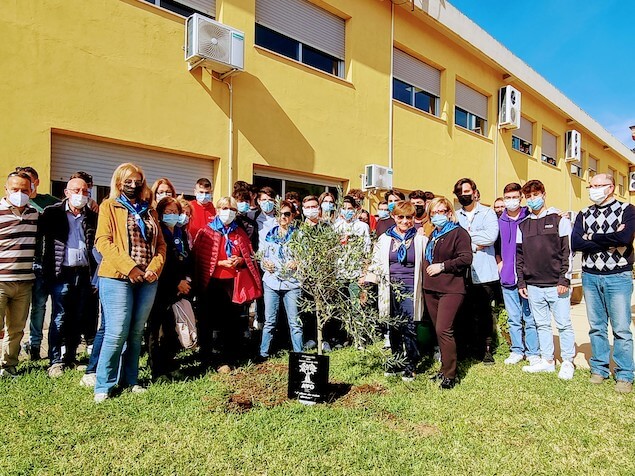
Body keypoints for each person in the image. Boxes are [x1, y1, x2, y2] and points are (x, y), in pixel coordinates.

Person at [93, 163, 166, 402]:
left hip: (148, 279)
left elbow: (160, 245)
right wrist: (130, 268)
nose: (133, 185)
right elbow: (102, 242)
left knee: (135, 333)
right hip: (117, 277)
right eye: (128, 181)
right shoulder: (109, 206)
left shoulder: (150, 210)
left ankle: (131, 379)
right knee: (116, 332)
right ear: (118, 183)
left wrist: (154, 269)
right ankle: (104, 383)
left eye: (137, 181)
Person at [571, 173, 634, 393]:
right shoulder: (584, 213)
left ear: (611, 187)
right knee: (596, 327)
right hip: (591, 275)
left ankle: (625, 373)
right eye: (591, 186)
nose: (594, 189)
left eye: (599, 185)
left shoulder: (627, 210)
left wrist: (592, 237)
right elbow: (576, 242)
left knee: (621, 328)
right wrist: (607, 239)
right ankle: (599, 368)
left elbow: (624, 239)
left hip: (618, 276)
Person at [516, 180, 575, 380]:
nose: (532, 199)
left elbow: (567, 252)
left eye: (536, 194)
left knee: (564, 324)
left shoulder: (559, 220)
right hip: (533, 285)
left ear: (544, 194)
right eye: (529, 196)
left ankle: (567, 361)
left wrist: (564, 279)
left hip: (556, 284)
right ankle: (547, 361)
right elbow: (519, 256)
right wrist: (522, 282)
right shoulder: (522, 225)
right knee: (542, 325)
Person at [193, 197, 262, 366]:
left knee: (230, 322)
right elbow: (198, 258)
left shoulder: (239, 232)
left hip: (232, 283)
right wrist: (219, 263)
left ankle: (228, 358)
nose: (228, 212)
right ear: (217, 210)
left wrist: (240, 260)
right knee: (207, 321)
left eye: (231, 209)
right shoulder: (206, 231)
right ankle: (207, 356)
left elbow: (249, 256)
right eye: (224, 208)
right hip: (211, 283)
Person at [39, 177, 98, 378]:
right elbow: (39, 240)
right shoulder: (52, 213)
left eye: (84, 191)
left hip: (84, 273)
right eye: (76, 190)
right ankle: (55, 361)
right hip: (61, 272)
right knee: (60, 317)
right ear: (66, 192)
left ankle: (71, 357)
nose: (80, 195)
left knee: (77, 316)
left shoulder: (91, 216)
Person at [368, 201, 426, 381]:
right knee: (392, 324)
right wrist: (368, 280)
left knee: (409, 325)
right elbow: (376, 262)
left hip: (411, 287)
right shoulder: (384, 239)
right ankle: (396, 360)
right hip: (389, 287)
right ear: (394, 217)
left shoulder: (421, 239)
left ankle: (411, 363)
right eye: (401, 217)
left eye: (409, 217)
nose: (405, 221)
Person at [423, 197, 472, 389]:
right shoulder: (434, 234)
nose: (437, 216)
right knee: (439, 331)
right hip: (431, 289)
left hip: (451, 288)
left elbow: (466, 258)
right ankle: (443, 369)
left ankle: (450, 374)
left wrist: (443, 266)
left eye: (441, 212)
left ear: (449, 213)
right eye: (433, 213)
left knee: (444, 329)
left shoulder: (458, 233)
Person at [14, 166, 59, 361]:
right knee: (26, 308)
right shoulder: (16, 204)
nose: (25, 188)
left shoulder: (49, 202)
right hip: (23, 264)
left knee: (47, 306)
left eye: (29, 182)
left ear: (36, 182)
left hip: (47, 262)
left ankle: (42, 346)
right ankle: (25, 346)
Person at [454, 178, 500, 364]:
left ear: (474, 192)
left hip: (484, 273)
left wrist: (466, 241)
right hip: (463, 272)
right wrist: (474, 243)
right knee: (464, 312)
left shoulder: (488, 213)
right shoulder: (456, 216)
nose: (464, 195)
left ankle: (486, 350)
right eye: (460, 193)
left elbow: (491, 236)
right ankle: (467, 347)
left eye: (467, 191)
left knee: (483, 313)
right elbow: (454, 241)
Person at [147, 197, 192, 380]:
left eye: (175, 212)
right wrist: (176, 282)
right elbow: (161, 262)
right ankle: (157, 370)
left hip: (179, 288)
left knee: (171, 329)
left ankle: (170, 363)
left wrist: (187, 279)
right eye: (168, 212)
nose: (172, 215)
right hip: (161, 288)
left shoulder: (180, 232)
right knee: (155, 331)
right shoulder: (159, 232)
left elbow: (187, 257)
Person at [0, 172, 39, 378]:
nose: (20, 193)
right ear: (6, 189)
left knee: (16, 329)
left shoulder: (34, 214)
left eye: (25, 190)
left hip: (24, 282)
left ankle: (8, 366)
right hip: (1, 281)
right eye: (15, 189)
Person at [496, 183, 539, 366]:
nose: (511, 201)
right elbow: (495, 245)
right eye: (508, 198)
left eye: (515, 197)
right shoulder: (499, 221)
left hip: (528, 277)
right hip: (507, 277)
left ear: (521, 198)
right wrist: (499, 263)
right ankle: (516, 350)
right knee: (514, 317)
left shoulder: (530, 218)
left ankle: (533, 352)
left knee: (530, 317)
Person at [258, 200, 303, 359]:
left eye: (287, 214)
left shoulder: (299, 235)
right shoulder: (267, 234)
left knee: (295, 323)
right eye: (280, 214)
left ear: (293, 216)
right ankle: (263, 354)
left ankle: (299, 355)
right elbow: (261, 256)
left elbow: (306, 258)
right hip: (271, 282)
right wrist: (265, 264)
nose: (283, 217)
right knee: (269, 321)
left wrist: (298, 262)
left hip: (292, 284)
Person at [233, 188, 259, 252]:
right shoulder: (229, 220)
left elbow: (254, 243)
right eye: (241, 201)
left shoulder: (252, 223)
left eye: (246, 201)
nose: (244, 203)